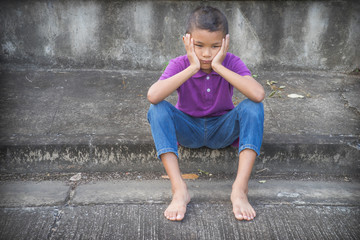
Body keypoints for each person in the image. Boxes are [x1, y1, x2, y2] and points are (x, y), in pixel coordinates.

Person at [147, 6, 265, 222]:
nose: (207, 54)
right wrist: (192, 68)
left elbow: (258, 94)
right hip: (188, 130)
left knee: (253, 107)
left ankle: (239, 189)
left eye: (215, 46)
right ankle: (179, 189)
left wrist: (219, 67)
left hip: (222, 129)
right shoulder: (180, 64)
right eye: (199, 45)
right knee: (157, 110)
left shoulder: (231, 62)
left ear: (226, 43)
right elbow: (153, 96)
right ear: (186, 41)